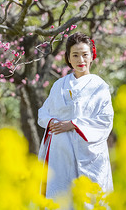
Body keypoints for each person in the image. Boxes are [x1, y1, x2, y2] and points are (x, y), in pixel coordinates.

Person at [38, 32, 114, 201]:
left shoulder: (100, 87)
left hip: (88, 154)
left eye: (85, 55)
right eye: (75, 55)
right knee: (60, 198)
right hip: (60, 153)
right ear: (68, 59)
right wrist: (52, 122)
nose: (81, 60)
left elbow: (105, 121)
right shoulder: (59, 85)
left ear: (92, 57)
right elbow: (43, 112)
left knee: (89, 199)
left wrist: (73, 124)